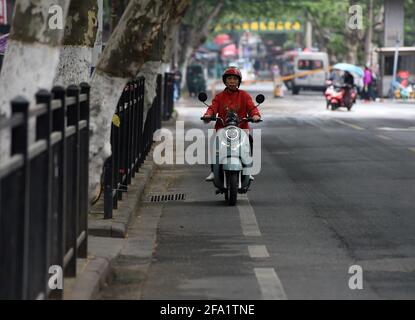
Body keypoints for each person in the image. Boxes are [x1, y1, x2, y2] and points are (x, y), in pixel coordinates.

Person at [202, 67, 261, 181]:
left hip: (242, 128)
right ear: (225, 81)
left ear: (239, 81)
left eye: (234, 79)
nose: (232, 81)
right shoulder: (219, 97)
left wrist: (255, 115)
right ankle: (214, 171)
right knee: (214, 144)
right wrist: (208, 115)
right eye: (229, 79)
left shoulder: (244, 95)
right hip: (222, 129)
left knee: (249, 141)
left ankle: (248, 170)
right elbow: (212, 108)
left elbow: (252, 108)